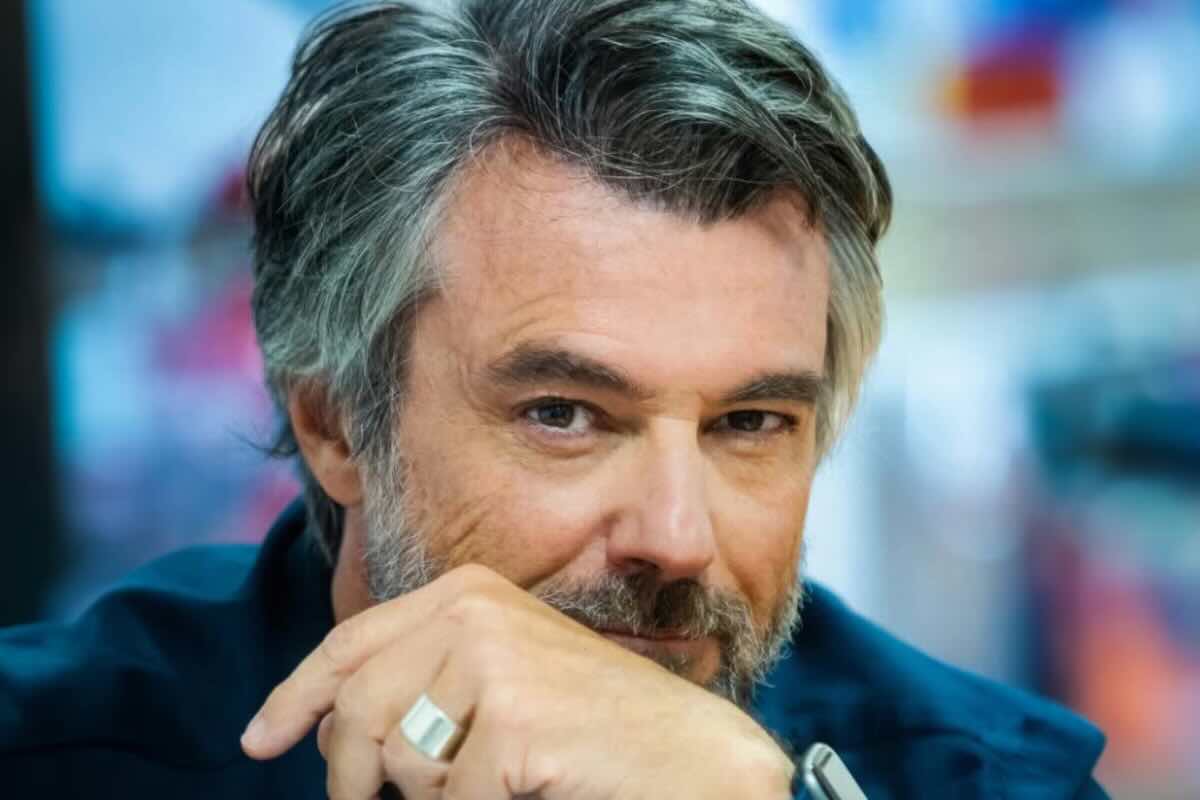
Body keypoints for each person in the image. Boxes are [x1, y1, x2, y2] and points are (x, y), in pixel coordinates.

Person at [1, 1, 1108, 797]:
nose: (675, 539)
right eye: (565, 413)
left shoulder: (988, 776)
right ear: (334, 418)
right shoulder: (56, 753)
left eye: (749, 424)